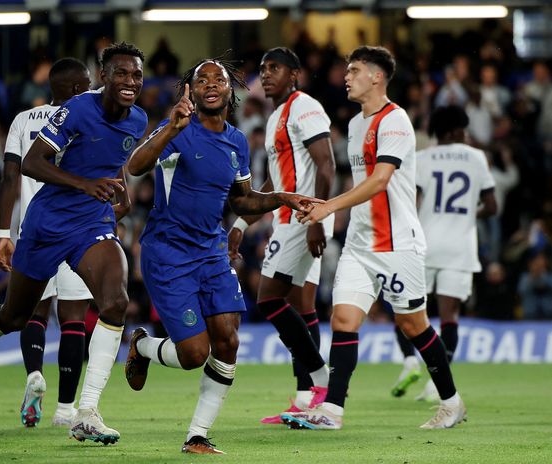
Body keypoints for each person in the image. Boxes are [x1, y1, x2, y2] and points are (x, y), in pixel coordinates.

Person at [0, 42, 146, 445]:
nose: (130, 82)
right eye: (121, 73)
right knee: (16, 315)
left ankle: (85, 411)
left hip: (92, 223)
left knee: (115, 302)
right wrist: (85, 185)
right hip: (47, 223)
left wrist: (115, 189)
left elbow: (109, 161)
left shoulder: (138, 120)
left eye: (137, 75)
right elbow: (34, 163)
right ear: (103, 76)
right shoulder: (74, 110)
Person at [123, 58, 320, 454]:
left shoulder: (236, 141)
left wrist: (282, 197)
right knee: (195, 354)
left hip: (211, 251)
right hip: (168, 251)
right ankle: (142, 345)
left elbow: (243, 199)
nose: (211, 85)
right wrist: (170, 128)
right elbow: (135, 166)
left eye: (219, 79)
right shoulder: (177, 129)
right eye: (202, 80)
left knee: (228, 341)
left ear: (231, 89)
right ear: (191, 91)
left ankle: (197, 434)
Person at [280, 46, 466, 430]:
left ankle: (451, 403)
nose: (346, 76)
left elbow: (380, 180)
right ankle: (332, 411)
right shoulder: (354, 124)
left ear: (377, 77)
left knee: (413, 325)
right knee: (343, 318)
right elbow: (360, 184)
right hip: (361, 244)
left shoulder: (395, 120)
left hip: (397, 244)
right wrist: (321, 205)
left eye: (354, 70)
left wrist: (329, 208)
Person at [226, 47, 334, 424]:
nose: (266, 74)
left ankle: (322, 379)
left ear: (295, 75)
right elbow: (276, 182)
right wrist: (241, 223)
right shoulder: (275, 118)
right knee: (302, 307)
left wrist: (317, 217)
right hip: (293, 215)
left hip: (303, 217)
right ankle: (309, 401)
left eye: (275, 68)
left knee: (269, 299)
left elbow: (326, 163)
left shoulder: (304, 106)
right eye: (262, 68)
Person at [0, 57, 95, 428]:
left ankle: (34, 375)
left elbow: (9, 179)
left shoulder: (23, 120)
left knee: (33, 312)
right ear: (74, 88)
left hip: (35, 232)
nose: (92, 86)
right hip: (78, 231)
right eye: (87, 82)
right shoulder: (89, 118)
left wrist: (5, 233)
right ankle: (66, 410)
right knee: (73, 318)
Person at [391, 105, 496, 400]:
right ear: (453, 131)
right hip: (460, 249)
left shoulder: (422, 159)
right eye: (463, 129)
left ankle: (410, 360)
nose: (466, 135)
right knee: (449, 317)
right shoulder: (477, 158)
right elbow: (492, 207)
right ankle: (436, 385)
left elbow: (410, 200)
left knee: (406, 311)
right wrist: (467, 214)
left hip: (423, 243)